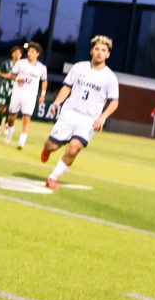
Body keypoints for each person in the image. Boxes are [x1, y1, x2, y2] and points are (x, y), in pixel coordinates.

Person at [40, 35, 119, 190]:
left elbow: (114, 102)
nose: (99, 53)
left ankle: (53, 177)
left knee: (74, 147)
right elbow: (67, 87)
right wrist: (57, 102)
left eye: (103, 50)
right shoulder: (79, 67)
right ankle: (46, 149)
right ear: (91, 51)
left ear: (108, 54)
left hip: (89, 120)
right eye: (96, 49)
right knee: (52, 146)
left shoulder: (110, 77)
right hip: (70, 113)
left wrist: (102, 117)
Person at [5, 41, 48, 149]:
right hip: (17, 93)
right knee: (11, 117)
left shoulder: (42, 68)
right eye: (29, 51)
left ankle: (21, 141)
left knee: (27, 117)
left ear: (37, 54)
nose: (29, 53)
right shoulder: (21, 63)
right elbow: (12, 76)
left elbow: (44, 81)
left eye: (32, 52)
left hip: (30, 96)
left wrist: (42, 94)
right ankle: (10, 131)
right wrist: (18, 79)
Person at [0, 44, 20, 136]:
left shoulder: (22, 65)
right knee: (1, 108)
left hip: (16, 89)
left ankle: (6, 125)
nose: (17, 54)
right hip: (5, 88)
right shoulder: (7, 63)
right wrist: (6, 76)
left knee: (11, 109)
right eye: (16, 53)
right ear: (12, 54)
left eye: (19, 53)